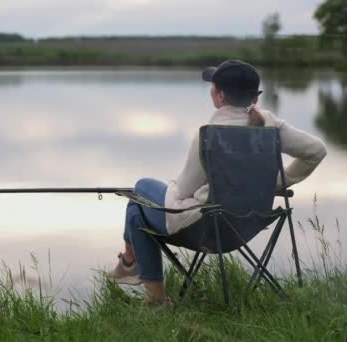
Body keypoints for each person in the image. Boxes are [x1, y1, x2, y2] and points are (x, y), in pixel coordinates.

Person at [109, 60, 328, 304]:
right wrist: (276, 183)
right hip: (247, 225)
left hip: (207, 229)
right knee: (138, 205)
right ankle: (136, 275)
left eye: (213, 87)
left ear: (220, 95)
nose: (211, 90)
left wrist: (172, 186)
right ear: (255, 98)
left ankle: (143, 283)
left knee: (139, 195)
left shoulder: (208, 134)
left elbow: (182, 191)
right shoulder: (271, 125)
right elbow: (316, 151)